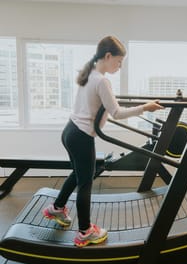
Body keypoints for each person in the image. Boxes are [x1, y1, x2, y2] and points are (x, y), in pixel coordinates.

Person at [42, 36, 164, 248]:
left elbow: (104, 105)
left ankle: (57, 208)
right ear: (108, 56)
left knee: (78, 174)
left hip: (69, 131)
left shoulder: (89, 73)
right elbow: (116, 112)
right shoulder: (102, 80)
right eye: (118, 61)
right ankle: (85, 232)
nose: (120, 65)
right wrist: (145, 107)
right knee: (86, 182)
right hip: (82, 136)